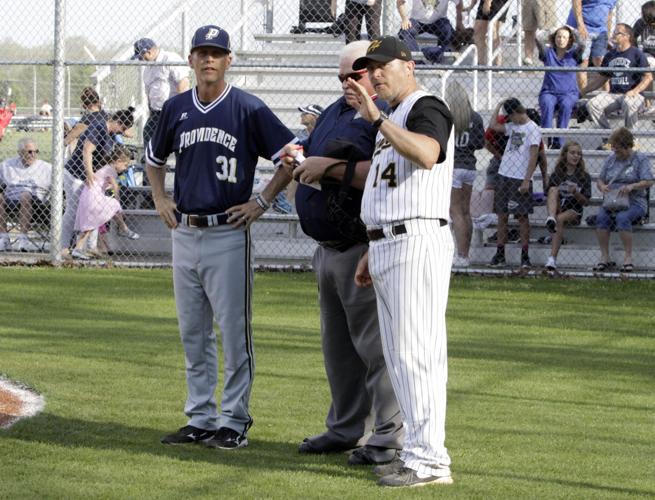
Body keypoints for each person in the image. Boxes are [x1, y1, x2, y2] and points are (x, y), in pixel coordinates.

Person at [146, 25, 296, 450]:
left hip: (228, 232)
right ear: (191, 60)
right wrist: (159, 197)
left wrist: (263, 201)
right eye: (202, 52)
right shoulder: (176, 108)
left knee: (233, 332)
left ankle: (234, 420)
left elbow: (292, 155)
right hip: (185, 231)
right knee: (193, 332)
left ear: (229, 60)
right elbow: (154, 159)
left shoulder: (247, 107)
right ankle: (200, 417)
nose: (209, 60)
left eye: (217, 53)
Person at [281, 41, 403, 467]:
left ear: (375, 71)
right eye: (342, 77)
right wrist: (298, 156)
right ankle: (346, 428)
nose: (348, 83)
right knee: (338, 349)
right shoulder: (335, 110)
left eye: (355, 74)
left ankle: (388, 437)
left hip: (363, 246)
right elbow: (312, 151)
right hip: (327, 247)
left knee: (375, 347)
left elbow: (391, 172)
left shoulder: (389, 112)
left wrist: (329, 169)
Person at [349, 35, 455, 488]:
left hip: (417, 240)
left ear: (407, 65)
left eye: (383, 65)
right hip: (391, 243)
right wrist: (374, 246)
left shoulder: (426, 105)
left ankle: (431, 462)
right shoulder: (394, 117)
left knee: (418, 355)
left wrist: (375, 118)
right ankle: (416, 452)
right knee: (400, 357)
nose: (374, 74)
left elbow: (428, 154)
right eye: (369, 68)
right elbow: (391, 187)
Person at [62, 107, 135, 252]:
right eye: (122, 128)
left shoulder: (111, 134)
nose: (122, 132)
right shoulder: (99, 127)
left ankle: (90, 248)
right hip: (76, 174)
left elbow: (126, 134)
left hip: (90, 180)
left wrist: (124, 131)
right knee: (73, 211)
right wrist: (89, 173)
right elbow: (87, 149)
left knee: (94, 210)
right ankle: (62, 248)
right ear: (117, 122)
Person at [488, 98, 545, 268]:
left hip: (520, 177)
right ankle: (500, 253)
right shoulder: (513, 127)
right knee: (502, 215)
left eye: (510, 116)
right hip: (504, 174)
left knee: (522, 217)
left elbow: (534, 156)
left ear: (516, 114)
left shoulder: (533, 129)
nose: (509, 121)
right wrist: (498, 105)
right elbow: (493, 126)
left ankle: (525, 255)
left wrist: (527, 180)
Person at [593, 127, 654, 272]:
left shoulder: (640, 159)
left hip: (635, 202)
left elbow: (649, 181)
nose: (616, 152)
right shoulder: (611, 159)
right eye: (614, 149)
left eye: (619, 149)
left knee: (622, 217)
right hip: (612, 201)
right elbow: (600, 179)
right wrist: (602, 187)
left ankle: (628, 257)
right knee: (601, 217)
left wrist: (632, 186)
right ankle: (605, 257)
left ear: (627, 146)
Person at [71, 145, 139, 260]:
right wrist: (118, 201)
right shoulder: (110, 170)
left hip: (89, 197)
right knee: (114, 205)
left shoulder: (106, 168)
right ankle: (124, 228)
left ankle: (77, 249)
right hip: (93, 197)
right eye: (125, 165)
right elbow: (115, 186)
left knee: (89, 225)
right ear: (118, 161)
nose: (125, 168)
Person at [581, 24, 652, 132]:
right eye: (614, 31)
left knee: (628, 103)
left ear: (627, 36)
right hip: (613, 95)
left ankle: (631, 141)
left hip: (633, 96)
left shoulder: (637, 53)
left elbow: (648, 77)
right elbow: (602, 78)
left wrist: (634, 91)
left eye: (617, 33)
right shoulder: (610, 55)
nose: (614, 34)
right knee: (592, 104)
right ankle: (608, 140)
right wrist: (584, 90)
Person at [444, 82, 485, 267]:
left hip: (454, 166)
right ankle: (465, 255)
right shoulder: (475, 117)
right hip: (469, 166)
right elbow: (479, 143)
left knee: (455, 212)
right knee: (466, 212)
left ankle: (460, 255)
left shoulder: (447, 117)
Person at [131, 38, 190, 152]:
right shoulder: (148, 69)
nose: (141, 60)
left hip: (174, 110)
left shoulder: (169, 58)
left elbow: (183, 82)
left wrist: (180, 107)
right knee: (148, 133)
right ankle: (150, 165)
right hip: (157, 113)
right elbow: (149, 93)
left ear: (148, 51)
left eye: (141, 56)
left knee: (179, 141)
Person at [543, 141, 591, 271]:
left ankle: (552, 259)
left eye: (579, 154)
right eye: (572, 153)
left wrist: (575, 192)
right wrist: (559, 189)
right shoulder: (557, 174)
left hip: (574, 211)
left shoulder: (584, 176)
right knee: (553, 190)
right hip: (559, 208)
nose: (576, 156)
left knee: (559, 219)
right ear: (565, 154)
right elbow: (548, 194)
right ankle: (551, 218)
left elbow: (586, 202)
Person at [0, 138, 52, 252]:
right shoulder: (6, 165)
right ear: (20, 152)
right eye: (29, 151)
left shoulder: (47, 168)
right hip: (11, 200)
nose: (33, 154)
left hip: (37, 203)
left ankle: (23, 239)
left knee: (25, 195)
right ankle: (4, 238)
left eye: (35, 151)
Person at [537, 26, 583, 149]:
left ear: (569, 40)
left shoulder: (574, 54)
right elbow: (538, 38)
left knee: (566, 105)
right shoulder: (548, 53)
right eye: (558, 36)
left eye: (564, 37)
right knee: (547, 104)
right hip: (549, 92)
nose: (561, 40)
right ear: (554, 38)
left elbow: (582, 43)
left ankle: (559, 142)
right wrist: (550, 30)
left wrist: (574, 31)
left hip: (569, 93)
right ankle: (546, 141)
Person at [566, 0, 617, 89]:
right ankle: (583, 95)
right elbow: (576, 2)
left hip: (601, 30)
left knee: (601, 62)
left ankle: (606, 95)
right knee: (583, 62)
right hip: (584, 28)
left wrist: (608, 34)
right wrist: (580, 25)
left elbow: (609, 13)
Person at [471, 0, 509, 66]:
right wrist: (472, 4)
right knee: (478, 31)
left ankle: (497, 65)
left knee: (494, 31)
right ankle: (480, 63)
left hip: (498, 2)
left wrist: (488, 2)